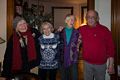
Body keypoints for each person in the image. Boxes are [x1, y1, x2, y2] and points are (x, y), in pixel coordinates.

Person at [79, 10, 115, 80]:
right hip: (87, 63)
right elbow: (70, 33)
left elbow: (111, 48)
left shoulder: (104, 30)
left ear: (97, 18)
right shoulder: (82, 29)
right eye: (88, 17)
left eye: (93, 17)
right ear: (86, 18)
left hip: (101, 64)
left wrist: (111, 64)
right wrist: (62, 30)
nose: (90, 19)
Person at [59, 14, 79, 80]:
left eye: (73, 20)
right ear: (66, 21)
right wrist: (57, 31)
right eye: (70, 19)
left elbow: (80, 43)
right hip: (62, 57)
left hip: (73, 57)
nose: (72, 21)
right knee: (64, 76)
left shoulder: (77, 32)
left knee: (74, 76)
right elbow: (55, 40)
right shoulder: (60, 31)